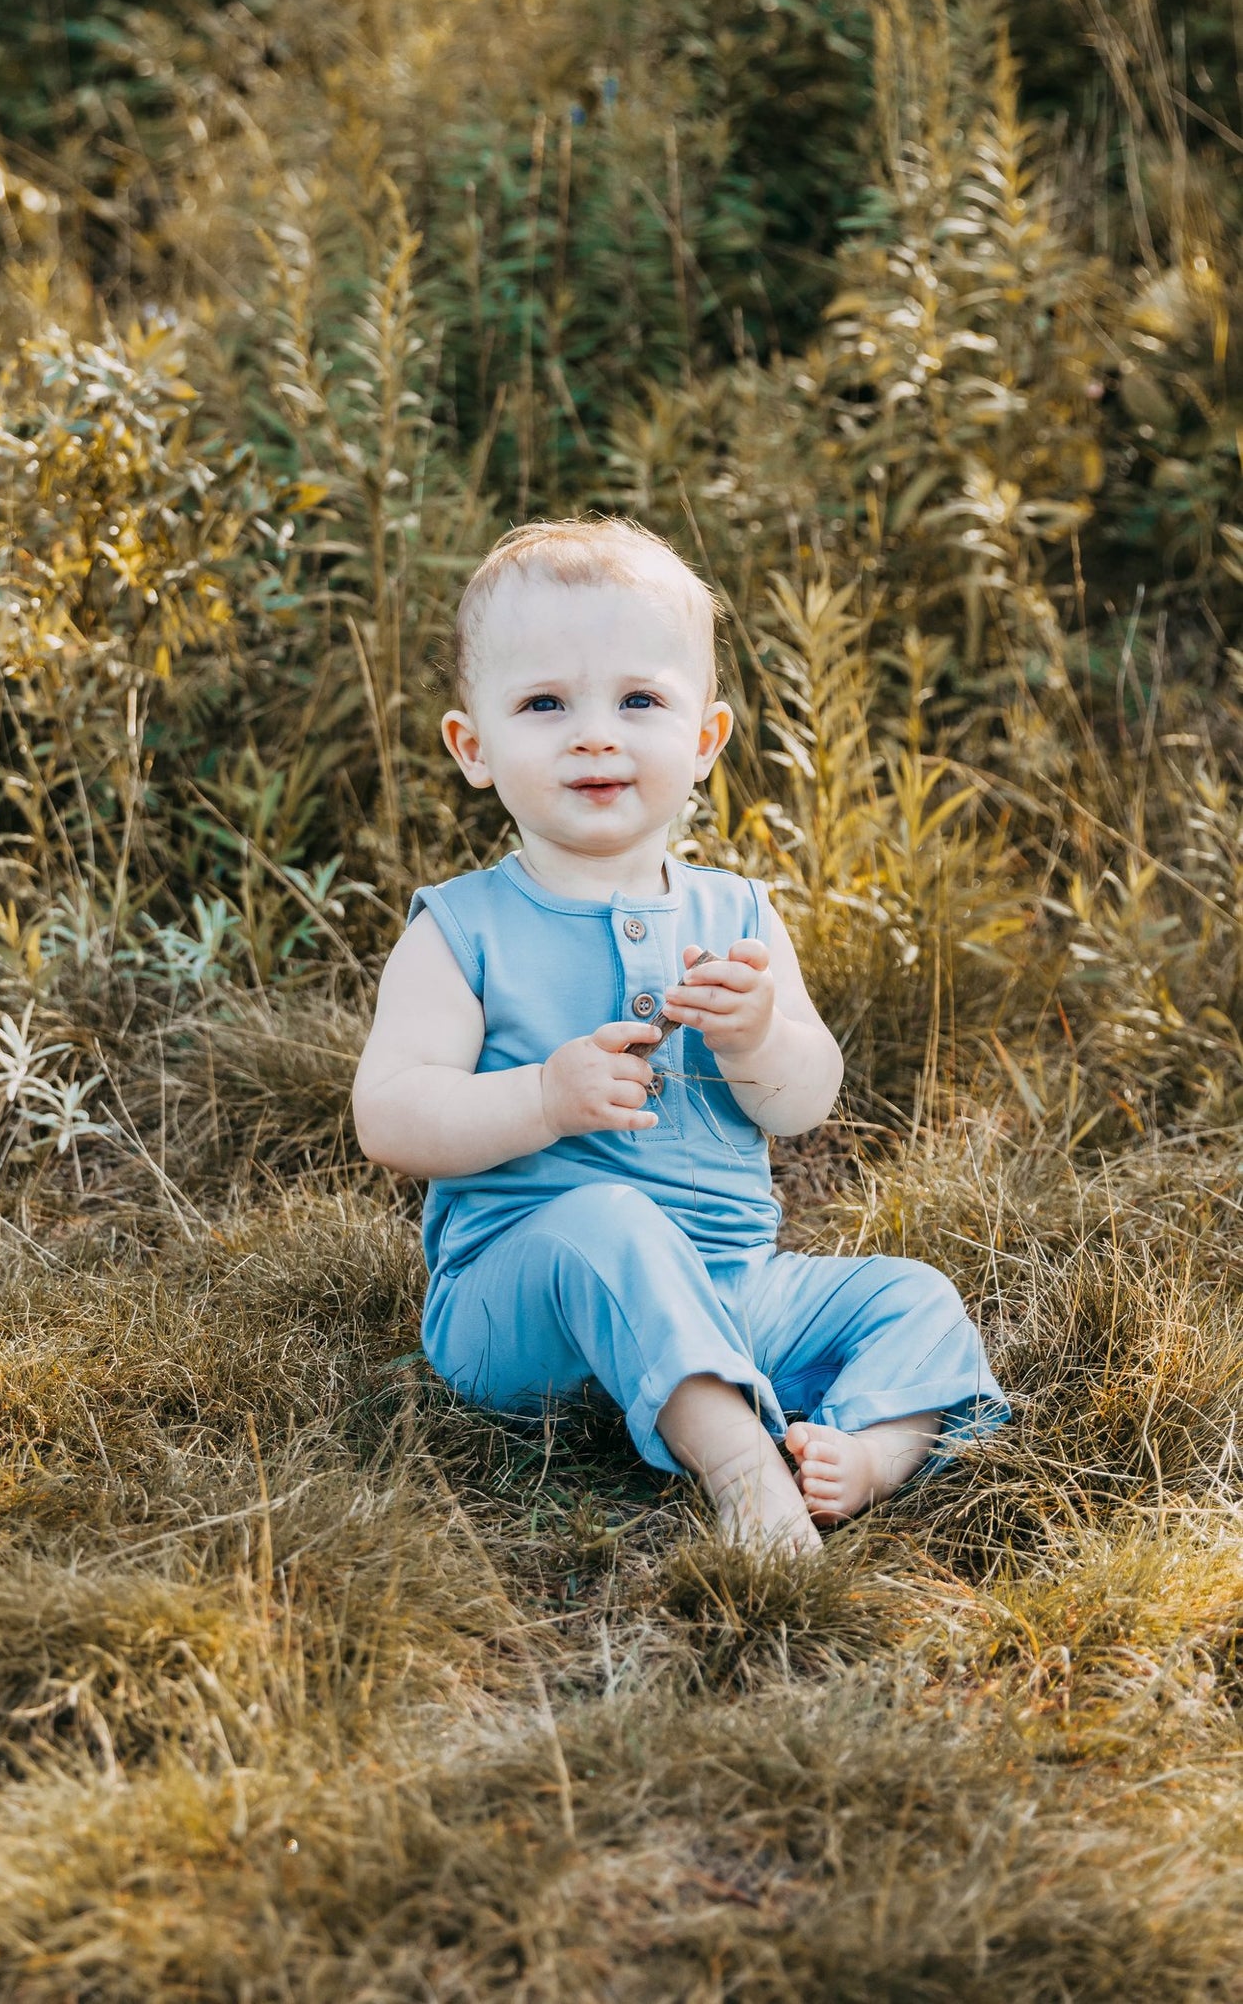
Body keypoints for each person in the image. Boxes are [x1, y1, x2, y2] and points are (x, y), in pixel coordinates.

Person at [352, 518, 1006, 1553]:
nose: (594, 733)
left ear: (703, 739)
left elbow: (804, 1103)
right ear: (472, 747)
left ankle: (862, 1454)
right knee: (604, 1216)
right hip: (525, 1306)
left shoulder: (737, 913)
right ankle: (741, 1463)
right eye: (543, 703)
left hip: (728, 1281)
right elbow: (387, 1114)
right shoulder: (461, 928)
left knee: (910, 1292)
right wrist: (538, 1099)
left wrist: (757, 1043)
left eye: (639, 699)